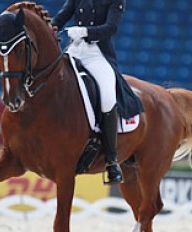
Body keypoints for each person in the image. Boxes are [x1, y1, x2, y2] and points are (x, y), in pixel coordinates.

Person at [52, 0, 126, 185]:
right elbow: (62, 16)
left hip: (98, 54)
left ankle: (111, 161)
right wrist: (48, 29)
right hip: (75, 50)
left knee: (108, 97)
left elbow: (111, 27)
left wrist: (86, 32)